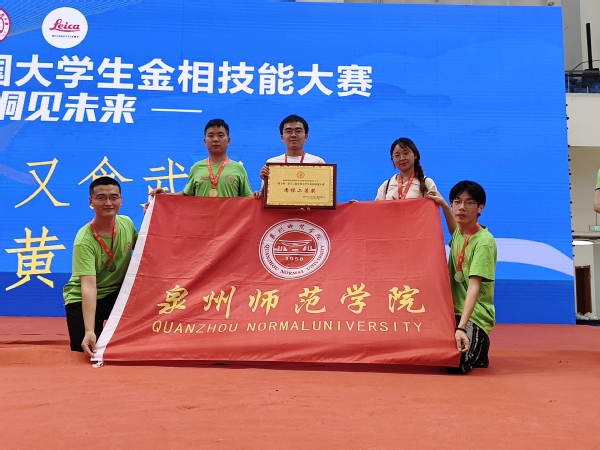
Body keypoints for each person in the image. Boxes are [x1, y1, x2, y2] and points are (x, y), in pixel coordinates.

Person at [426, 181, 497, 374]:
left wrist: (462, 327)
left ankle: (478, 341)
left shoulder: (483, 242)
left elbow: (474, 286)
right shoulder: (460, 232)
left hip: (473, 314)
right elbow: (453, 230)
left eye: (469, 202)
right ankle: (477, 349)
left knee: (456, 364)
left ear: (480, 208)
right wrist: (442, 204)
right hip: (449, 310)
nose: (462, 207)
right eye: (457, 202)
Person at [63, 176, 138, 356]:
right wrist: (89, 331)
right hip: (84, 297)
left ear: (121, 200)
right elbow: (89, 287)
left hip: (118, 293)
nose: (108, 203)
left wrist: (155, 212)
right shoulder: (84, 241)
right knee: (84, 348)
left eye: (113, 197)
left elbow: (148, 250)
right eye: (101, 198)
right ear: (91, 201)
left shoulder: (127, 223)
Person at [150, 118, 252, 198]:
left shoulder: (238, 169)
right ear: (205, 141)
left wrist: (260, 193)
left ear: (228, 141)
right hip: (201, 219)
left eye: (220, 135)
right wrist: (164, 196)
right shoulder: (197, 167)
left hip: (230, 220)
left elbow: (249, 200)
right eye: (211, 135)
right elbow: (186, 196)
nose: (215, 139)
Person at [254, 114, 325, 198]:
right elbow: (266, 197)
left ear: (306, 137)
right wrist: (259, 193)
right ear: (282, 138)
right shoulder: (272, 163)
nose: (293, 135)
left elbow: (324, 193)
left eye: (298, 131)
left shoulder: (318, 163)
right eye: (288, 131)